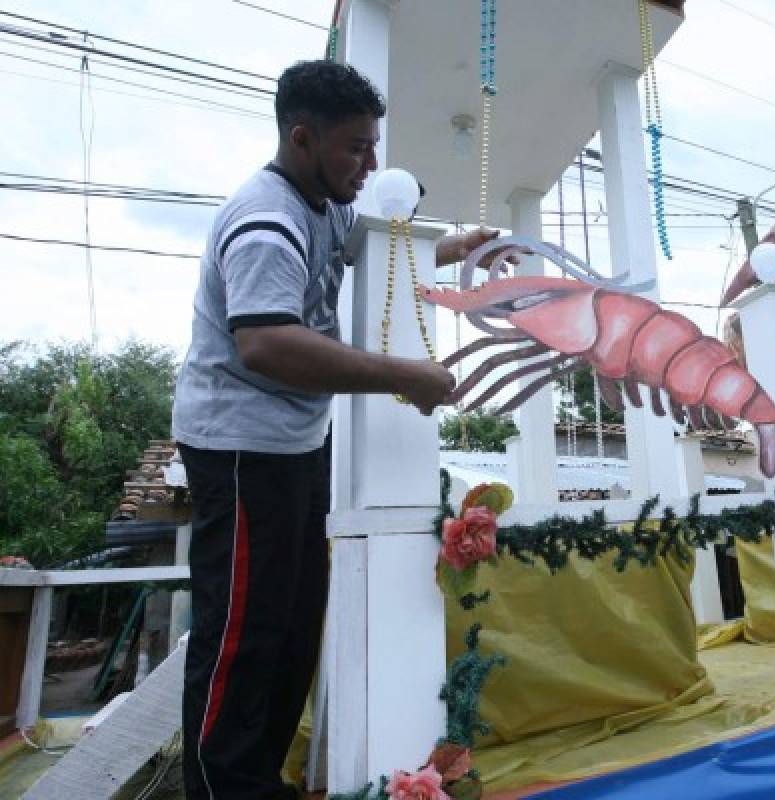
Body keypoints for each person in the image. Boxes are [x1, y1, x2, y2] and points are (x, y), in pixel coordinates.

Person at [172, 60, 513, 799]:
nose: (371, 163)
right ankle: (221, 789)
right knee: (242, 635)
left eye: (374, 145)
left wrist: (460, 248)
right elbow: (266, 342)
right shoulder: (267, 220)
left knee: (293, 630)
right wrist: (402, 373)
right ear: (301, 138)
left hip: (294, 446)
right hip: (239, 450)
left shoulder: (324, 204)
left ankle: (258, 781)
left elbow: (370, 246)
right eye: (357, 147)